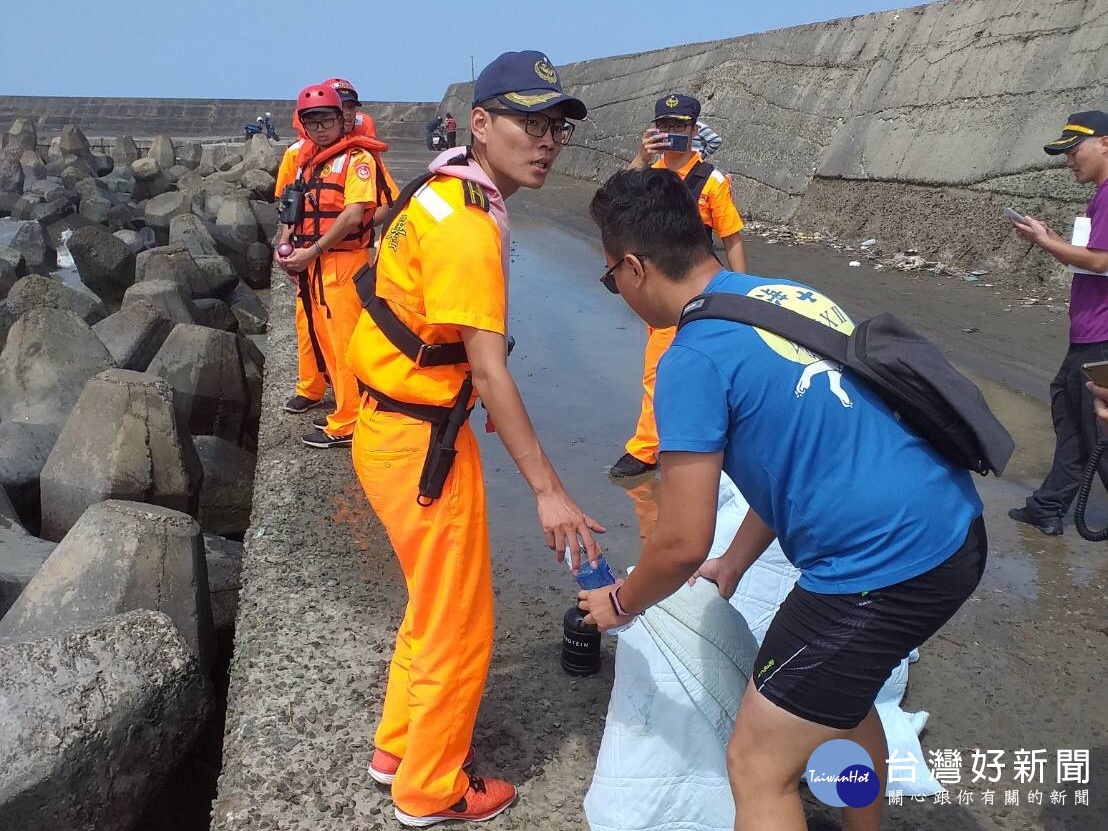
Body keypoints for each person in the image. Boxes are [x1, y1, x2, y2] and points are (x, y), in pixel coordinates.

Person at [579, 167, 987, 831]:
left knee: (758, 765)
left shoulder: (693, 355)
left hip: (879, 570)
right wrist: (737, 562)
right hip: (954, 530)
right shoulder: (782, 295)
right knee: (844, 701)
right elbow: (799, 454)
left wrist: (621, 602)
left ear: (633, 267)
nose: (617, 292)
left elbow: (681, 540)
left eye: (610, 278)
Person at [345, 51, 603, 826]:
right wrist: (549, 490)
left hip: (391, 425)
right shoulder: (465, 227)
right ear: (481, 123)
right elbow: (490, 374)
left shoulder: (439, 186)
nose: (547, 139)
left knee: (433, 602)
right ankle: (431, 789)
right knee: (460, 620)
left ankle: (395, 748)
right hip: (421, 446)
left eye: (556, 124)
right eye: (530, 121)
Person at [610, 93, 747, 479]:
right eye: (664, 126)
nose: (671, 133)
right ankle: (660, 445)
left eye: (679, 127)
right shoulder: (648, 176)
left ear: (694, 129)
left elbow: (732, 238)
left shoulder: (713, 181)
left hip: (699, 289)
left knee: (677, 367)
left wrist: (738, 292)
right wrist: (639, 158)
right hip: (657, 289)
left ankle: (649, 448)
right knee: (663, 367)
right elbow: (614, 204)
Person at [1007, 110, 1108, 536]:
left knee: (1098, 433)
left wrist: (1047, 242)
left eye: (1074, 148)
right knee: (1071, 417)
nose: (1068, 159)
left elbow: (1102, 262)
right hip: (1089, 334)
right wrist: (1053, 241)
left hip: (1102, 338)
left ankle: (1048, 507)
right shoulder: (1099, 197)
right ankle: (1046, 507)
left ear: (1105, 143)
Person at [275, 84, 389, 448]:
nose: (321, 128)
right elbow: (292, 208)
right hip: (314, 265)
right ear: (303, 126)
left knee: (344, 344)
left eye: (327, 120)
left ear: (343, 119)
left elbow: (355, 213)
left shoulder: (358, 160)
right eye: (313, 122)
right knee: (321, 338)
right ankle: (342, 408)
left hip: (341, 264)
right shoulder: (307, 161)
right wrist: (287, 249)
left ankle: (351, 421)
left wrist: (314, 250)